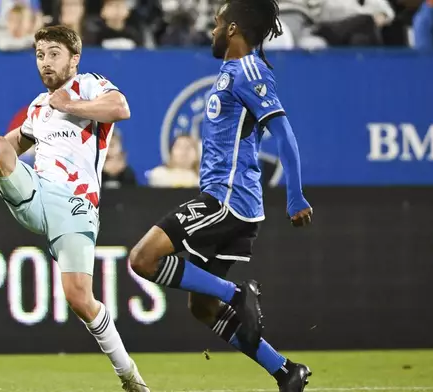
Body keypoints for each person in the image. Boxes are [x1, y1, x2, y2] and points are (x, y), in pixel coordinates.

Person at [0, 25, 148, 392]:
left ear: (74, 58)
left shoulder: (88, 85)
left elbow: (121, 107)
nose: (45, 62)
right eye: (40, 55)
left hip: (76, 204)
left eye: (54, 53)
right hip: (38, 194)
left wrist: (71, 105)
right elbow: (11, 144)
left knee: (79, 298)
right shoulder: (38, 108)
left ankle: (130, 377)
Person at [128, 1, 314, 392]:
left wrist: (295, 197)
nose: (211, 30)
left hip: (226, 202)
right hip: (237, 207)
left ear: (232, 29)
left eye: (216, 23)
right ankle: (285, 371)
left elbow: (286, 136)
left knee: (143, 259)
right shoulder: (231, 72)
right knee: (202, 306)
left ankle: (238, 293)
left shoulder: (248, 70)